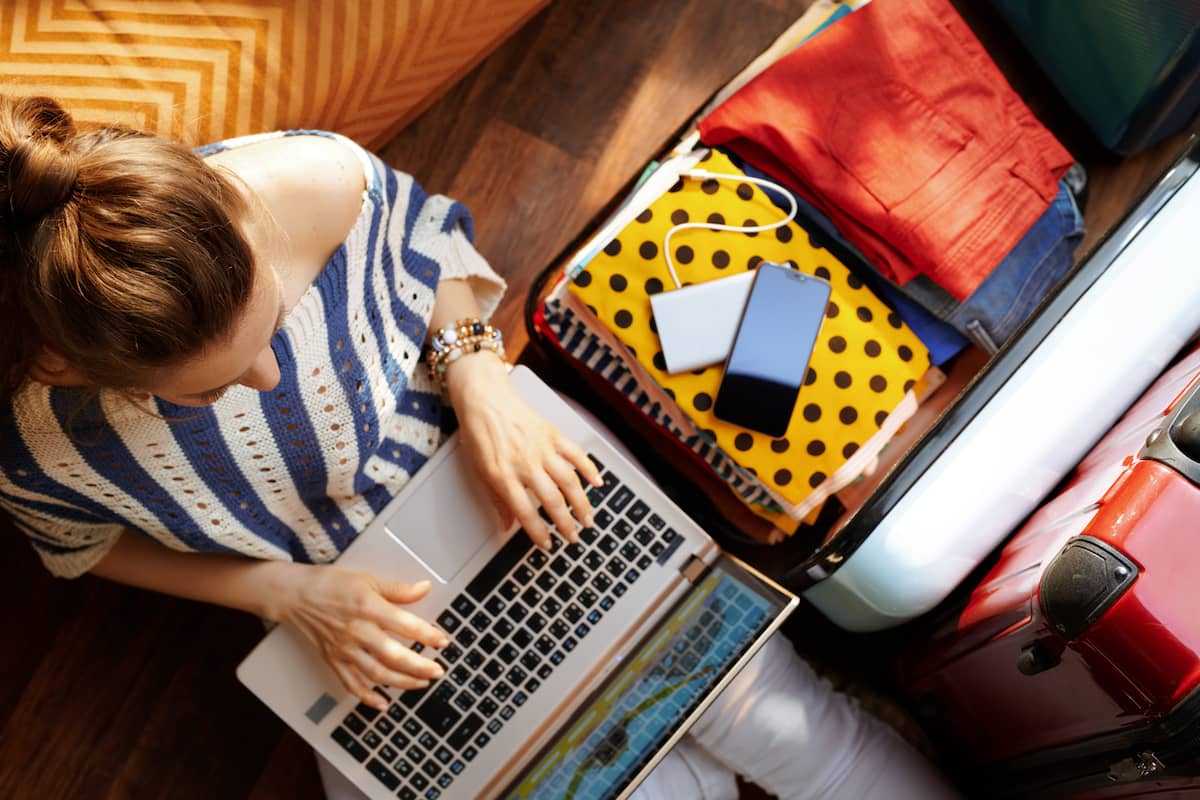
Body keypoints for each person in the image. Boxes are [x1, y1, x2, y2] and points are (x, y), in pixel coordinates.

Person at [0, 94, 957, 799]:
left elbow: (431, 251)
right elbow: (81, 543)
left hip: (495, 473)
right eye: (211, 387)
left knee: (795, 736)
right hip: (346, 613)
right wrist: (282, 595)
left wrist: (480, 375)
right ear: (70, 369)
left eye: (275, 323)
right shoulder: (33, 442)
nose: (269, 380)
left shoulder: (309, 182)